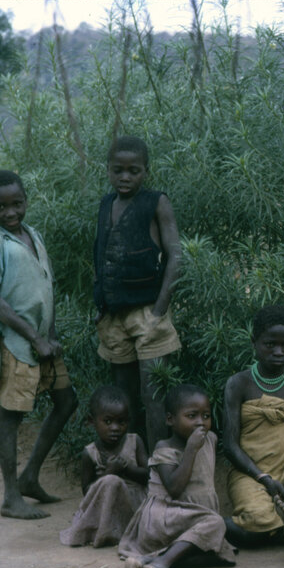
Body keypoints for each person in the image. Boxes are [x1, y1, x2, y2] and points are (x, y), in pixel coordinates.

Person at [0, 169, 78, 520]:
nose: (10, 213)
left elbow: (43, 290)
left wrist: (50, 335)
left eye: (16, 204)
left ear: (26, 202)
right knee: (12, 415)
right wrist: (34, 337)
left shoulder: (32, 234)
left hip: (42, 342)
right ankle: (10, 497)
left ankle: (30, 475)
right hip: (17, 343)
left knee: (67, 401)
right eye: (0, 206)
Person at [93, 136, 182, 454]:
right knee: (122, 398)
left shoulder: (156, 202)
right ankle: (127, 465)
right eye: (118, 170)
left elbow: (176, 256)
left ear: (146, 171)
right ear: (107, 170)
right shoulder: (107, 204)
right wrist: (100, 304)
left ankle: (158, 469)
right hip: (114, 317)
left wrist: (160, 310)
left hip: (148, 314)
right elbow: (102, 256)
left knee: (153, 394)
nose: (125, 177)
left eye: (134, 170)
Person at [221, 305, 284, 556]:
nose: (278, 352)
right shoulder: (238, 383)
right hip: (249, 474)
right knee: (257, 517)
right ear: (254, 342)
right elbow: (230, 445)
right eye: (270, 344)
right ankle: (279, 531)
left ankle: (274, 532)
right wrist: (262, 477)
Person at [118, 384, 235, 568]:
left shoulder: (211, 439)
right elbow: (174, 488)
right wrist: (190, 450)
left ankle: (151, 560)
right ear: (170, 419)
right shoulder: (164, 448)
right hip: (165, 517)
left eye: (206, 416)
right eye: (192, 416)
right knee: (216, 523)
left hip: (192, 519)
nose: (201, 423)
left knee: (223, 556)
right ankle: (163, 562)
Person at [60, 385, 148, 547]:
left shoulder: (135, 442)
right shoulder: (89, 453)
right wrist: (108, 474)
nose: (115, 428)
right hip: (105, 509)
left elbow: (147, 476)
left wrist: (126, 469)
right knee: (111, 482)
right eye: (107, 422)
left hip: (134, 506)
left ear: (128, 421)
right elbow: (87, 492)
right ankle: (104, 532)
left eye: (121, 422)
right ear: (91, 421)